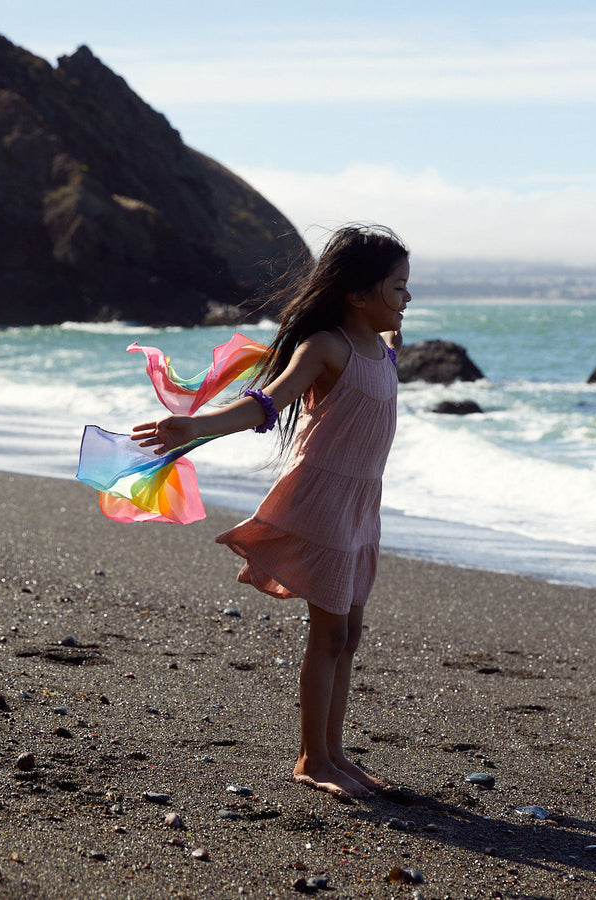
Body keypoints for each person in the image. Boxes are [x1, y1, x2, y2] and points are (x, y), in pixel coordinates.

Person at [132, 225, 411, 799]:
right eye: (397, 288)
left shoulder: (384, 348)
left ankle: (335, 752)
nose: (407, 299)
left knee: (349, 631)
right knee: (330, 632)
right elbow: (266, 402)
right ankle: (312, 759)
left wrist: (392, 318)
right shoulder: (325, 348)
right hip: (323, 499)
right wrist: (197, 427)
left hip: (362, 502)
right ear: (356, 294)